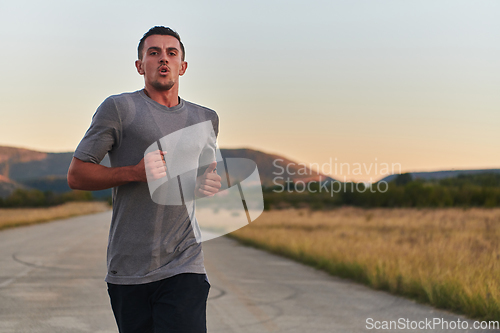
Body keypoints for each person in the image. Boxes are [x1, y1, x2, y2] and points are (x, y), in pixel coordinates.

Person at [67, 26, 221, 333]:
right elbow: (77, 174)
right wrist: (133, 173)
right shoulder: (119, 109)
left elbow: (207, 175)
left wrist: (208, 186)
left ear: (183, 66)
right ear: (140, 65)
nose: (163, 59)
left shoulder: (206, 119)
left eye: (171, 53)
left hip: (184, 262)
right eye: (153, 53)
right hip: (129, 267)